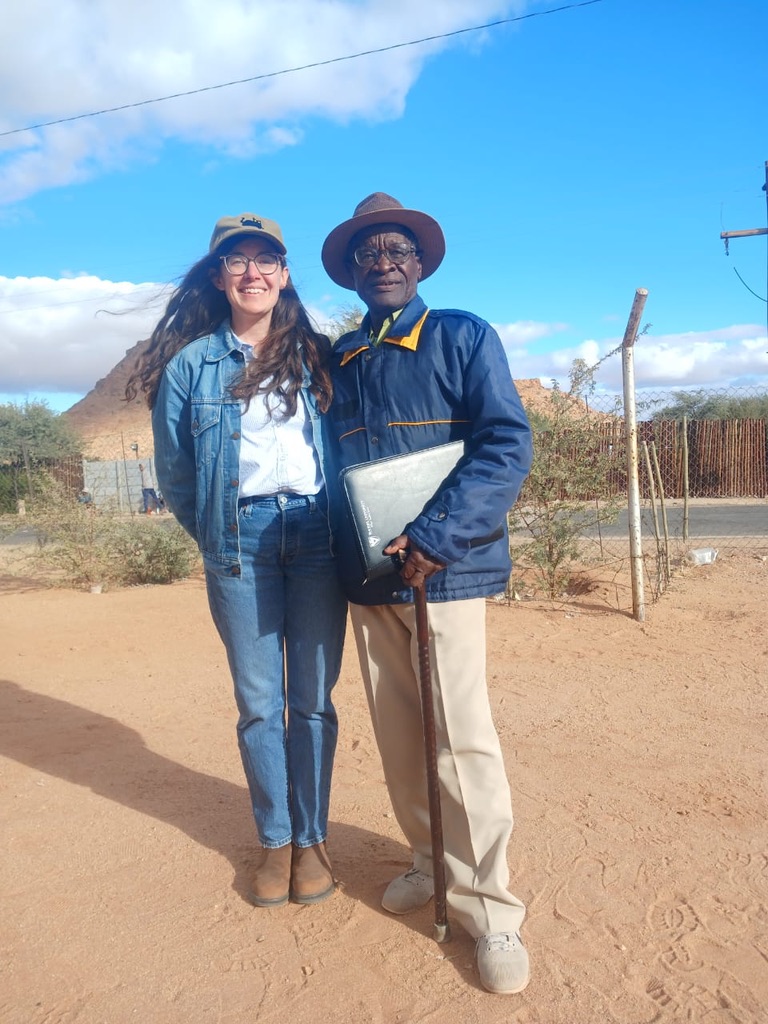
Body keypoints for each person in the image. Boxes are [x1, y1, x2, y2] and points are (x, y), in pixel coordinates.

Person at [321, 193, 534, 995]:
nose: (382, 262)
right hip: (372, 581)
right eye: (368, 253)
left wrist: (438, 538)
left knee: (461, 737)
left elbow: (505, 443)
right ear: (351, 269)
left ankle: (492, 909)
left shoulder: (460, 335)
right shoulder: (340, 357)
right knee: (402, 730)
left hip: (442, 574)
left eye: (397, 250)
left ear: (419, 265)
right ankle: (426, 858)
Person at [126, 212, 347, 908]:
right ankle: (275, 841)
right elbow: (178, 474)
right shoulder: (192, 366)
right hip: (241, 541)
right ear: (220, 277)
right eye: (237, 260)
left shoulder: (319, 355)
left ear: (283, 274)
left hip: (318, 537)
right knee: (259, 706)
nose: (252, 271)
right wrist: (222, 536)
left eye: (266, 259)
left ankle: (312, 840)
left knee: (311, 703)